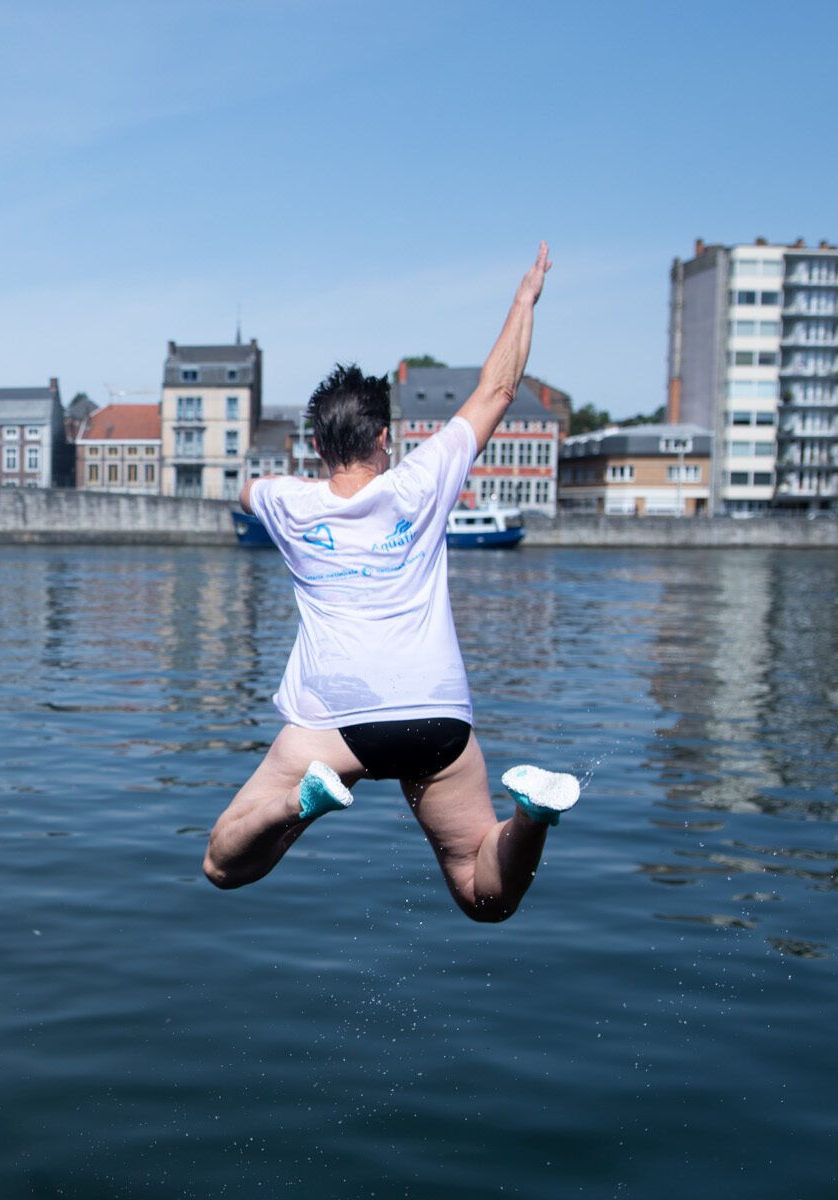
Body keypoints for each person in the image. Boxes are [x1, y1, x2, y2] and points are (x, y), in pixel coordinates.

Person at [202, 243, 578, 921]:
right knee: (481, 894)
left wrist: (263, 489)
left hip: (331, 723)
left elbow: (246, 492)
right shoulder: (423, 479)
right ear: (386, 438)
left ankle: (297, 802)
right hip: (436, 715)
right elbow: (498, 388)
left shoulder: (288, 502)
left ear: (317, 446)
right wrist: (525, 300)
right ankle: (533, 816)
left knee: (225, 866)